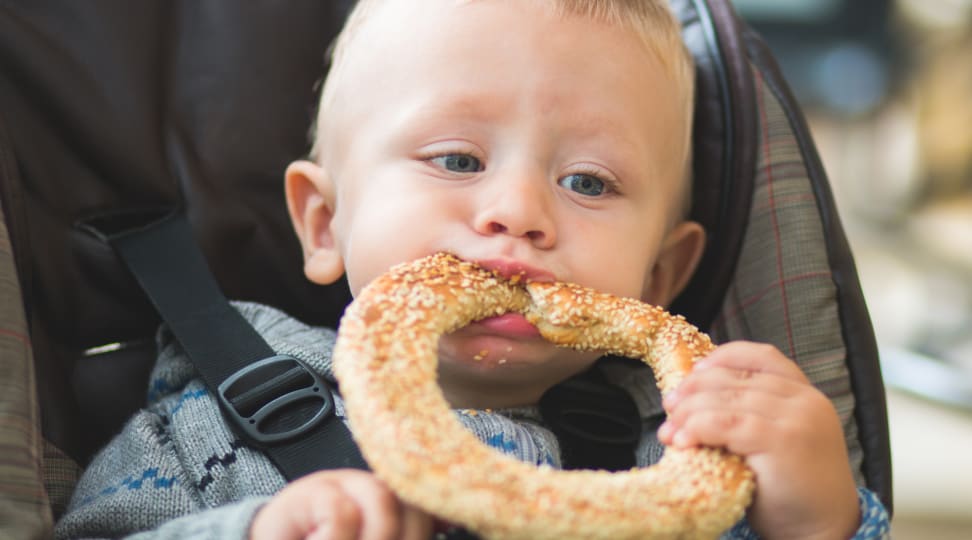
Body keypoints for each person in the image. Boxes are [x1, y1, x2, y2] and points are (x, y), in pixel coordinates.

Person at [55, 0, 890, 538]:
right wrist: (254, 530)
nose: (518, 210)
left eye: (588, 182)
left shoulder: (676, 452)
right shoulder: (207, 432)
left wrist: (816, 514)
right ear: (323, 222)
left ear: (661, 277)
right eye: (456, 159)